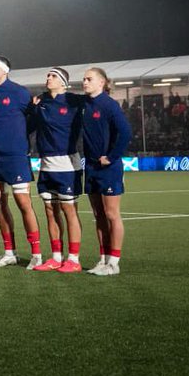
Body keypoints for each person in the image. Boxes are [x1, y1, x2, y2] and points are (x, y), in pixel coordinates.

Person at [0, 55, 43, 268]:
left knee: (23, 203)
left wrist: (17, 138)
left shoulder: (19, 92)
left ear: (5, 70)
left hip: (15, 156)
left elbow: (33, 121)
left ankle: (36, 253)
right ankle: (9, 252)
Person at [30, 67, 84, 272]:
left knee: (69, 211)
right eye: (48, 76)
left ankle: (74, 259)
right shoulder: (40, 101)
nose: (48, 78)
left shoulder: (74, 101)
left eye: (53, 76)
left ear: (63, 82)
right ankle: (55, 257)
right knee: (50, 212)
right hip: (46, 165)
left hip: (68, 165)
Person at [81, 67, 132, 277]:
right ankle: (102, 259)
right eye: (83, 79)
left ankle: (114, 262)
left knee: (112, 214)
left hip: (108, 168)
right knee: (98, 215)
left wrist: (111, 157)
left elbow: (126, 132)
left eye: (89, 79)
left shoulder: (109, 105)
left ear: (101, 83)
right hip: (91, 167)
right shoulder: (83, 103)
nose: (84, 82)